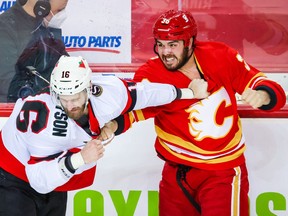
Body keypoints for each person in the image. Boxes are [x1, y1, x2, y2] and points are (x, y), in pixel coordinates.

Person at [101, 10, 287, 216]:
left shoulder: (220, 56)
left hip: (222, 173)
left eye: (173, 45)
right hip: (175, 175)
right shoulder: (151, 74)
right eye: (160, 44)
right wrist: (111, 126)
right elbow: (134, 112)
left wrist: (263, 96)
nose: (166, 52)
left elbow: (264, 85)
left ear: (190, 42)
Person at [0, 55, 198, 216]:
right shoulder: (47, 126)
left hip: (54, 169)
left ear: (88, 89)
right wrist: (79, 159)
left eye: (76, 98)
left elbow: (146, 93)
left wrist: (187, 92)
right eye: (64, 99)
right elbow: (38, 180)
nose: (70, 106)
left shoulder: (109, 93)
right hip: (14, 174)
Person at [0, 0, 69, 102]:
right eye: (59, 10)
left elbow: (63, 62)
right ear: (42, 5)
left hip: (46, 105)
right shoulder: (5, 29)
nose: (61, 15)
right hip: (15, 110)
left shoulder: (45, 26)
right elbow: (8, 84)